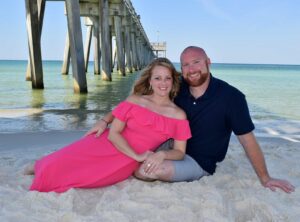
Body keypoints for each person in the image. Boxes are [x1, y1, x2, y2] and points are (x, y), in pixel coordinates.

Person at [88, 46, 295, 193]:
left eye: (196, 62)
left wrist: (265, 178)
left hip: (198, 160)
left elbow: (248, 140)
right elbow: (137, 101)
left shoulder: (232, 98)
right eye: (186, 64)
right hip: (167, 145)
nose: (191, 68)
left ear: (208, 63)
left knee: (146, 170)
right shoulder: (177, 86)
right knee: (120, 144)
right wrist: (105, 120)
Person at [27, 57, 191, 193]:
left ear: (173, 81)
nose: (163, 83)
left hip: (123, 162)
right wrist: (137, 156)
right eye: (157, 78)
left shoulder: (178, 115)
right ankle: (39, 165)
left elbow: (179, 152)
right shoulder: (135, 100)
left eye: (167, 78)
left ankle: (42, 167)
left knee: (82, 178)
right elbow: (114, 133)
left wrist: (162, 155)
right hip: (108, 143)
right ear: (150, 81)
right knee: (57, 162)